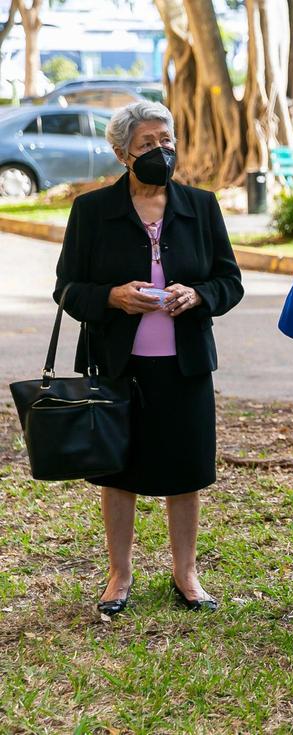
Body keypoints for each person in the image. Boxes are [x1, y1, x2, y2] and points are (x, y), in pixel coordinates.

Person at [53, 101, 244, 615]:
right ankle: (119, 576)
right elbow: (66, 289)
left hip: (185, 366)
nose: (161, 152)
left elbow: (230, 281)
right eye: (147, 145)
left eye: (166, 141)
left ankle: (187, 575)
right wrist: (112, 297)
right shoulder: (92, 212)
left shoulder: (201, 206)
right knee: (119, 472)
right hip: (117, 367)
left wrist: (198, 296)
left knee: (185, 470)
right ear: (121, 154)